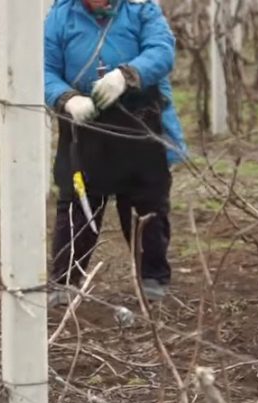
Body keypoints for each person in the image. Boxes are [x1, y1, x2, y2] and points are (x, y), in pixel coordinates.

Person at [44, 0, 187, 304]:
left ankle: (152, 279)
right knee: (76, 206)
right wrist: (65, 98)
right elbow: (44, 69)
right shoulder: (60, 15)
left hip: (139, 118)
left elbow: (162, 50)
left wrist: (127, 74)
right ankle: (64, 283)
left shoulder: (141, 8)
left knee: (146, 204)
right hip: (83, 124)